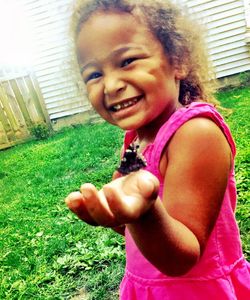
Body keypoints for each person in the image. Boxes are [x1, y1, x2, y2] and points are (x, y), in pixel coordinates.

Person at [65, 0, 250, 298]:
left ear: (178, 60)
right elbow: (137, 235)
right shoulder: (136, 141)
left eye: (127, 61)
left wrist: (144, 214)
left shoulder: (197, 133)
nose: (111, 85)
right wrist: (117, 215)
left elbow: (181, 258)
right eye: (94, 74)